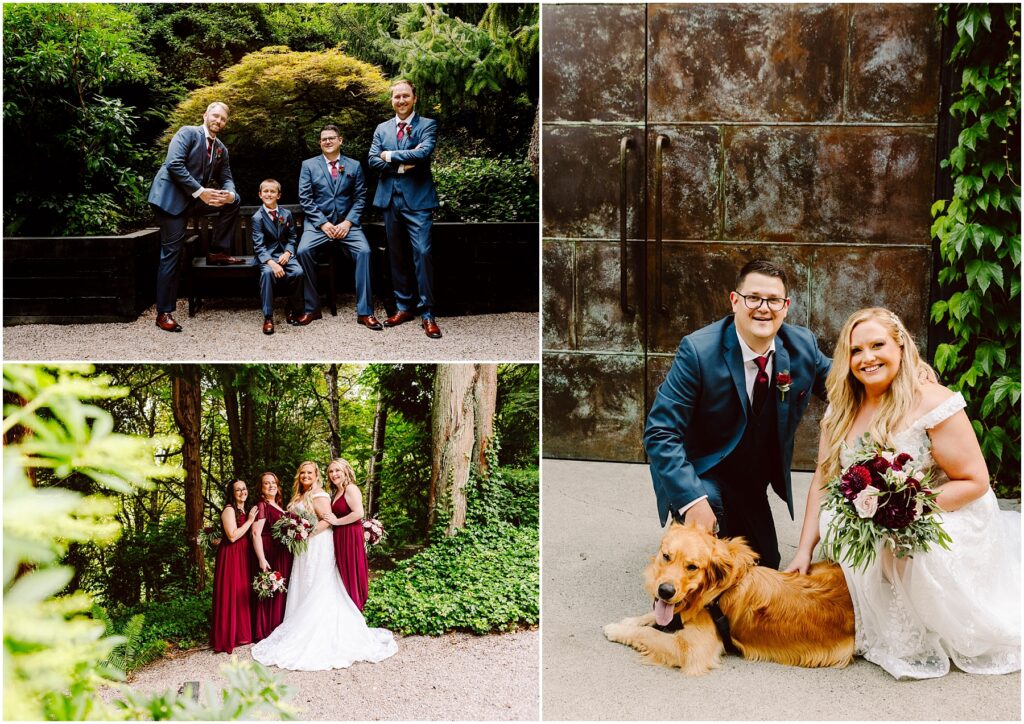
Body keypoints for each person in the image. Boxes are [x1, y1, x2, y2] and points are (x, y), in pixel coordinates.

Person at [784, 308, 1021, 679]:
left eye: (877, 345)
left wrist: (903, 509)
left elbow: (975, 482)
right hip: (879, 514)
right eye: (856, 351)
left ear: (900, 345)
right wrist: (803, 551)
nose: (867, 358)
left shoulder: (932, 402)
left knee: (913, 549)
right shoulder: (842, 408)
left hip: (946, 508)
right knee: (837, 518)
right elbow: (824, 479)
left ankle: (929, 624)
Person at [644, 259, 831, 570]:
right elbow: (660, 431)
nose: (763, 308)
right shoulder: (698, 351)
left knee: (765, 565)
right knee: (714, 570)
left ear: (785, 307)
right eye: (753, 298)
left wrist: (912, 375)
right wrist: (693, 500)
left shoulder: (802, 347)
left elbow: (849, 384)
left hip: (749, 482)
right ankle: (685, 540)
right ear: (734, 301)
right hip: (700, 471)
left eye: (773, 300)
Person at [250, 462, 397, 670]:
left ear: (316, 475)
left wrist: (304, 534)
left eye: (310, 472)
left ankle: (319, 632)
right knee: (305, 584)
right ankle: (298, 625)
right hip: (304, 548)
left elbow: (328, 521)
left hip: (318, 544)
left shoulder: (319, 494)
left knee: (320, 584)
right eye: (302, 472)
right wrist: (296, 535)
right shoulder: (299, 496)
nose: (305, 475)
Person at [148, 101, 244, 333]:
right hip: (170, 200)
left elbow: (226, 177)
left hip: (193, 201)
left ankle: (218, 251)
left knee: (235, 201)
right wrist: (201, 192)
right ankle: (164, 312)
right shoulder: (188, 133)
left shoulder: (221, 149)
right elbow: (174, 165)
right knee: (171, 253)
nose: (218, 121)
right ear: (205, 115)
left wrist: (229, 194)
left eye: (223, 119)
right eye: (215, 116)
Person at [368, 79, 442, 339]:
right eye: (396, 97)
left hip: (418, 201)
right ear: (392, 100)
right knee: (396, 256)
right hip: (389, 200)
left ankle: (428, 313)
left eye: (405, 96)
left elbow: (422, 154)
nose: (400, 101)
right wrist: (400, 164)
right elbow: (371, 159)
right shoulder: (382, 129)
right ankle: (403, 307)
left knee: (422, 253)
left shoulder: (427, 125)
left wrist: (388, 156)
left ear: (414, 98)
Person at [294, 124, 381, 330]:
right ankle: (312, 308)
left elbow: (360, 198)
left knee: (365, 252)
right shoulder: (308, 165)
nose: (327, 142)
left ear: (340, 140)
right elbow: (305, 199)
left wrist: (348, 222)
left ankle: (365, 312)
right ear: (320, 143)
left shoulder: (354, 166)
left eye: (331, 138)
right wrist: (323, 223)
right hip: (318, 226)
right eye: (324, 139)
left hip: (347, 225)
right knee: (303, 251)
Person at [211, 479, 258, 654]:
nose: (242, 492)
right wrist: (250, 520)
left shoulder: (243, 509)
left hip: (243, 553)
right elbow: (232, 536)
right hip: (231, 554)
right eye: (238, 490)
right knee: (231, 592)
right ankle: (227, 636)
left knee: (241, 592)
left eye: (244, 489)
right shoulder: (229, 509)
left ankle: (241, 634)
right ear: (232, 493)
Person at [251, 179, 303, 336]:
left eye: (272, 191)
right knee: (267, 274)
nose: (269, 194)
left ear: (278, 195)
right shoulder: (257, 218)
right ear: (260, 195)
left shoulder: (286, 214)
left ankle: (293, 308)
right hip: (266, 257)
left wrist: (288, 253)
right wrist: (272, 264)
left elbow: (292, 237)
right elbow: (258, 246)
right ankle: (268, 316)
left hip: (284, 255)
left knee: (298, 272)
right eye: (265, 191)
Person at [250, 472, 293, 642]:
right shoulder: (263, 505)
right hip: (270, 552)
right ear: (261, 488)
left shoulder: (280, 506)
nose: (271, 486)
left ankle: (279, 626)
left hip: (283, 553)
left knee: (281, 590)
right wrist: (261, 558)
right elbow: (255, 533)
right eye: (266, 483)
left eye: (273, 482)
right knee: (272, 588)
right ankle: (267, 629)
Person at [328, 458, 369, 611]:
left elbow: (359, 513)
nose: (334, 474)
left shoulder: (350, 488)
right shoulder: (336, 492)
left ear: (345, 471)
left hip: (351, 534)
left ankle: (356, 605)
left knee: (351, 568)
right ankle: (346, 606)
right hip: (340, 535)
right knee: (342, 569)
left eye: (337, 470)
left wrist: (337, 522)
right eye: (331, 471)